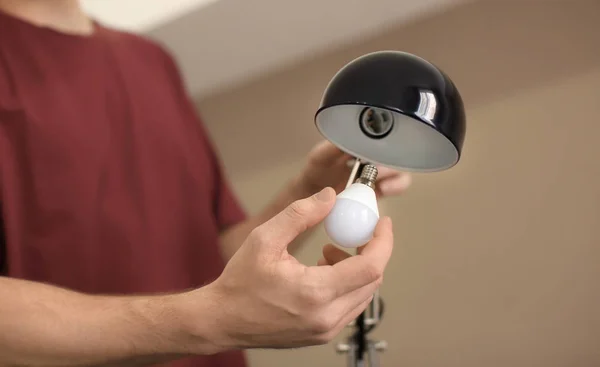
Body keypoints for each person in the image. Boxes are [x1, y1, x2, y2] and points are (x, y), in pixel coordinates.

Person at [0, 1, 412, 366]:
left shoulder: (150, 61)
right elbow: (213, 303)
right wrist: (212, 320)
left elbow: (204, 264)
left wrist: (312, 188)